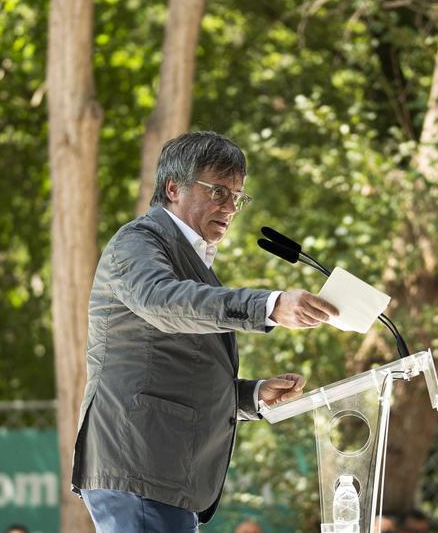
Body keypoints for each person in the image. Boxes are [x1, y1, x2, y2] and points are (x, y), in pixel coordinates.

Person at [71, 131, 340, 532]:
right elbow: (162, 303)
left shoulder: (194, 263)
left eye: (238, 196)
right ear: (173, 187)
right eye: (218, 191)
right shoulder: (137, 241)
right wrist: (268, 306)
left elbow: (177, 371)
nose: (231, 207)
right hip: (137, 463)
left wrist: (251, 396)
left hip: (165, 473)